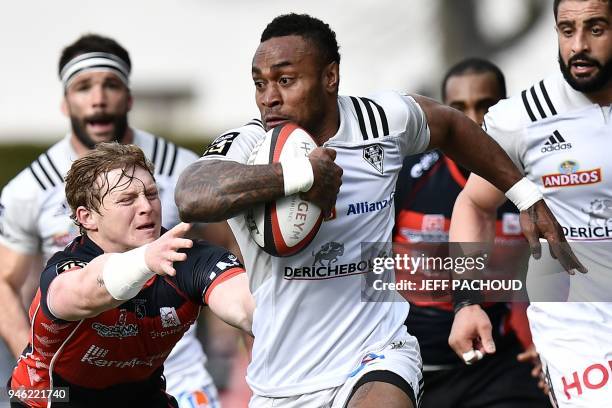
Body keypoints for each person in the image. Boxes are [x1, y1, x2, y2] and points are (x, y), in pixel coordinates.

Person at [175, 13, 581, 408]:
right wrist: (298, 175)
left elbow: (454, 127)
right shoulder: (249, 145)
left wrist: (526, 195)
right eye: (259, 84)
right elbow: (192, 195)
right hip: (282, 379)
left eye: (285, 80)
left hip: (377, 354)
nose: (269, 97)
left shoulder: (380, 122)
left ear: (330, 76)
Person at [0, 34, 223, 406]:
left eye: (111, 85)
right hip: (72, 377)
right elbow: (4, 282)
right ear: (65, 101)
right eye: (83, 87)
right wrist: (40, 361)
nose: (98, 98)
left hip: (175, 369)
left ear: (129, 97)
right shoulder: (30, 187)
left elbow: (226, 250)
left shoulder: (183, 169)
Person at [448, 0, 612, 406]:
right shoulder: (523, 117)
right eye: (566, 30)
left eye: (596, 29)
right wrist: (467, 301)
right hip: (578, 328)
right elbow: (473, 204)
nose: (578, 45)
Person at [8, 142, 254, 408]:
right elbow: (84, 293)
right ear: (87, 217)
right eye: (127, 199)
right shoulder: (68, 267)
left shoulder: (188, 258)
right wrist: (145, 260)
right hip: (52, 397)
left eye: (151, 194)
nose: (146, 207)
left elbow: (244, 307)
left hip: (140, 395)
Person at [394, 58, 549, 407]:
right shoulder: (406, 177)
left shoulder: (527, 185)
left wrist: (552, 342)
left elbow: (561, 271)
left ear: (505, 111)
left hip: (493, 361)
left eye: (486, 106)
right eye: (459, 108)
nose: (473, 120)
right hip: (412, 365)